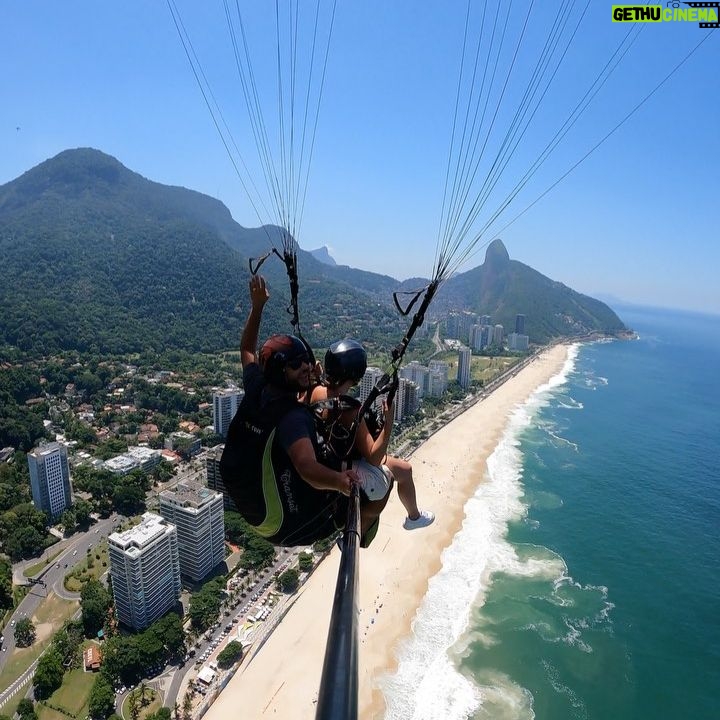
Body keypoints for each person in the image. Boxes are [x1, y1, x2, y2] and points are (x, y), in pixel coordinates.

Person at [220, 276, 383, 546]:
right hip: (285, 527)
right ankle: (354, 537)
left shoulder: (257, 385)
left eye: (306, 361)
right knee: (378, 483)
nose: (307, 367)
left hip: (252, 507)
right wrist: (340, 482)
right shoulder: (292, 418)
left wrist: (257, 307)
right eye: (298, 365)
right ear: (281, 372)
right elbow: (307, 467)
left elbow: (247, 348)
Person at [310, 338, 435, 531]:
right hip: (339, 464)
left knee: (405, 469)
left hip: (329, 455)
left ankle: (414, 516)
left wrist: (317, 377)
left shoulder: (316, 391)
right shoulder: (349, 410)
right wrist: (389, 421)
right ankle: (356, 531)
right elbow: (375, 457)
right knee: (386, 481)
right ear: (357, 375)